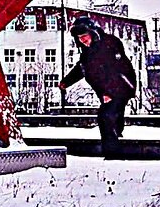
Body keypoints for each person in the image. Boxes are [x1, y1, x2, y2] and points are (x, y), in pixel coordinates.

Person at [58, 16, 137, 157]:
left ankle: (112, 154)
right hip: (107, 91)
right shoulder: (87, 53)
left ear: (92, 32)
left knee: (106, 116)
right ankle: (118, 139)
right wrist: (66, 82)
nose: (83, 40)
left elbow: (115, 70)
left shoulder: (109, 43)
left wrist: (109, 93)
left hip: (121, 86)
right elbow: (80, 69)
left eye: (84, 36)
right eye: (79, 38)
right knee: (113, 116)